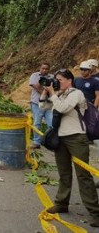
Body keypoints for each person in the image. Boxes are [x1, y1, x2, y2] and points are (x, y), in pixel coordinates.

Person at [39, 69, 99, 227]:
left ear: (69, 80)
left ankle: (95, 212)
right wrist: (46, 93)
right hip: (61, 137)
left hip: (76, 137)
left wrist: (52, 93)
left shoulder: (76, 93)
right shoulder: (59, 94)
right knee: (63, 172)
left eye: (59, 79)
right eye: (55, 80)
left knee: (83, 175)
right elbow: (43, 107)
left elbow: (62, 109)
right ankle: (61, 203)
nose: (57, 82)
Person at [28, 63, 54, 149]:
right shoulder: (34, 76)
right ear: (40, 68)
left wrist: (47, 91)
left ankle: (50, 142)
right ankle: (36, 142)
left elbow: (55, 88)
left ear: (49, 69)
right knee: (37, 123)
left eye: (46, 69)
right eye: (43, 68)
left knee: (51, 123)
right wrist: (47, 91)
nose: (44, 70)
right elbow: (36, 87)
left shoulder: (52, 77)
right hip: (36, 103)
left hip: (49, 104)